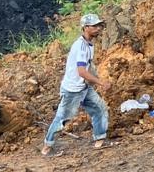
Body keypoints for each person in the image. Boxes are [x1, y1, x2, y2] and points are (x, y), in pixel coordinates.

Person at [41, 12, 113, 156]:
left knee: (99, 108)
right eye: (95, 26)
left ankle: (100, 139)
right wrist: (100, 82)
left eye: (99, 25)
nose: (99, 28)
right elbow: (81, 71)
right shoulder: (81, 46)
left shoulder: (89, 43)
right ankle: (47, 147)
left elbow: (87, 67)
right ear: (86, 27)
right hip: (73, 90)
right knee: (62, 118)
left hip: (84, 87)